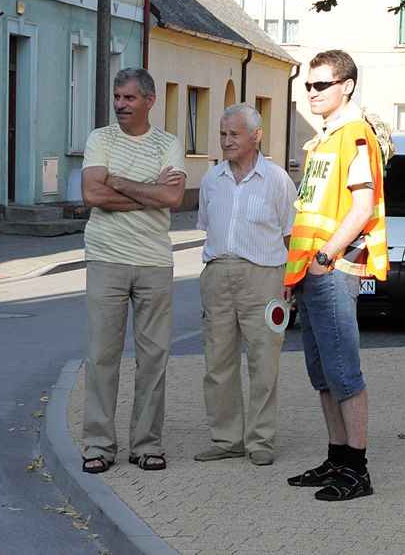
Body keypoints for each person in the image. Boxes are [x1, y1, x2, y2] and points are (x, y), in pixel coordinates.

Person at [282, 50, 389, 501]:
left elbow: (362, 207)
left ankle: (357, 471)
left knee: (344, 373)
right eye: (308, 85)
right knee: (324, 374)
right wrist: (297, 274)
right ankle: (337, 459)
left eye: (321, 84)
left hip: (332, 269)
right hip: (311, 271)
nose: (312, 92)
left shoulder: (355, 135)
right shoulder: (322, 140)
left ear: (346, 87)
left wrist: (325, 257)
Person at [80, 68, 187, 473]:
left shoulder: (168, 144)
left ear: (150, 101)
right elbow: (92, 193)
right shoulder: (100, 139)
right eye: (117, 97)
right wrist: (149, 192)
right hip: (106, 258)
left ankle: (146, 444)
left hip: (154, 262)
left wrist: (118, 181)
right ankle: (98, 446)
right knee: (101, 356)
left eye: (129, 98)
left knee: (154, 357)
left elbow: (173, 197)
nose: (121, 105)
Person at [194, 104, 296, 466]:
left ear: (256, 136)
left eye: (234, 134)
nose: (226, 141)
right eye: (223, 134)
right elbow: (207, 226)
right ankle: (226, 439)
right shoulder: (211, 179)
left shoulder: (278, 180)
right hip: (218, 274)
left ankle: (260, 440)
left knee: (264, 361)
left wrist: (290, 280)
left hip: (264, 278)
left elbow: (291, 236)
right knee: (217, 362)